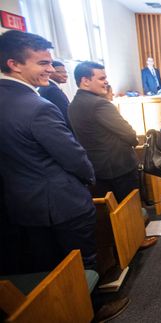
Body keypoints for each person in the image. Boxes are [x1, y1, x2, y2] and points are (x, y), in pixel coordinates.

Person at [0, 30, 97, 273]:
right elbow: (73, 157)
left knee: (48, 269)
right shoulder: (38, 107)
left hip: (21, 205)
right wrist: (88, 180)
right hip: (62, 204)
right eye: (42, 63)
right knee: (81, 266)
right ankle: (95, 309)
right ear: (14, 64)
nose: (51, 70)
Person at [68, 61, 158, 249]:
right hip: (118, 165)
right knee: (129, 204)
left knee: (113, 210)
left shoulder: (74, 103)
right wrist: (133, 140)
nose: (106, 82)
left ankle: (123, 242)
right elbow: (128, 134)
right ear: (85, 80)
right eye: (101, 78)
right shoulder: (100, 104)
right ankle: (137, 239)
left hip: (97, 166)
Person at [38, 60, 72, 129]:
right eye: (59, 72)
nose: (65, 75)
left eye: (65, 72)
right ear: (50, 72)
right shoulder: (52, 90)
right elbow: (65, 115)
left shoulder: (46, 87)